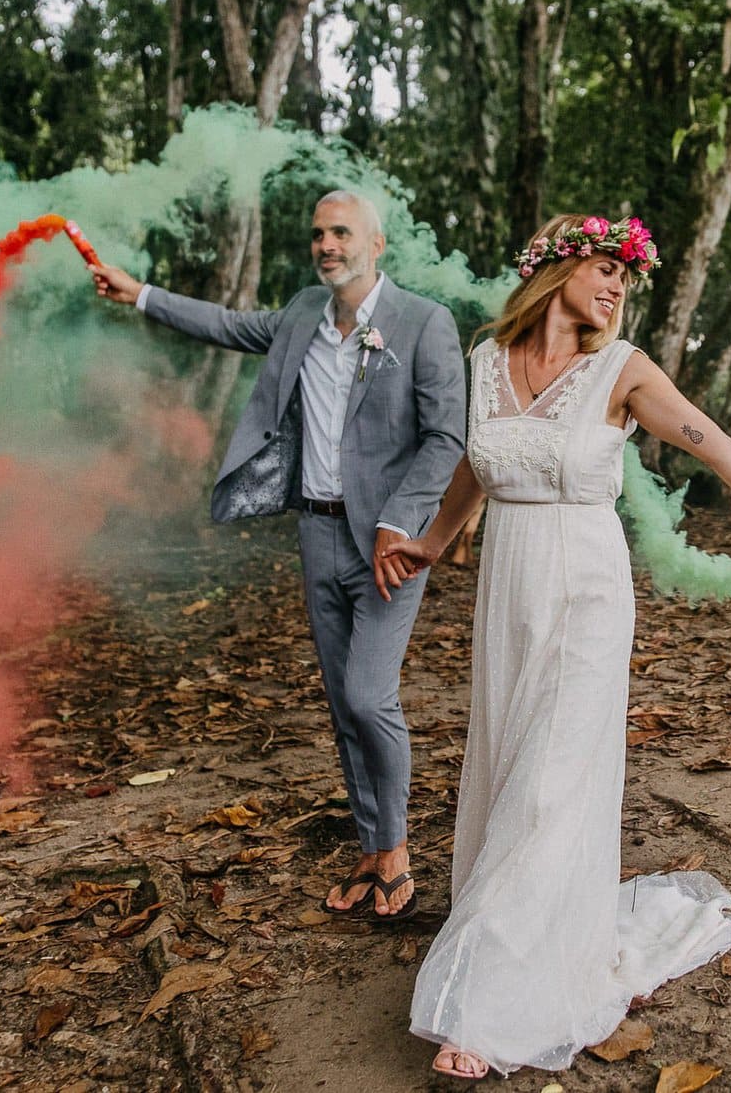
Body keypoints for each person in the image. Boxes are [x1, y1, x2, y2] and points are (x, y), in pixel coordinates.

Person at [382, 213, 731, 1079]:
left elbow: (717, 448)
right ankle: (537, 935)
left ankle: (491, 1009)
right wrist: (432, 539)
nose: (615, 287)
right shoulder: (485, 360)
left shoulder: (623, 368)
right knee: (510, 769)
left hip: (587, 588)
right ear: (555, 269)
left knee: (551, 782)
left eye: (625, 277)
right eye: (604, 268)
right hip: (508, 590)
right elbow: (477, 464)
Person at [90, 190, 466, 921]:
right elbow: (227, 324)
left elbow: (447, 435)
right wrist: (139, 294)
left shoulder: (425, 322)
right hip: (316, 533)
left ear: (376, 243)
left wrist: (402, 522)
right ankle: (369, 845)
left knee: (368, 694)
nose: (327, 245)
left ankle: (396, 851)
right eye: (319, 233)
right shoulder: (301, 314)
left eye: (341, 233)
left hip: (389, 543)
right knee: (339, 701)